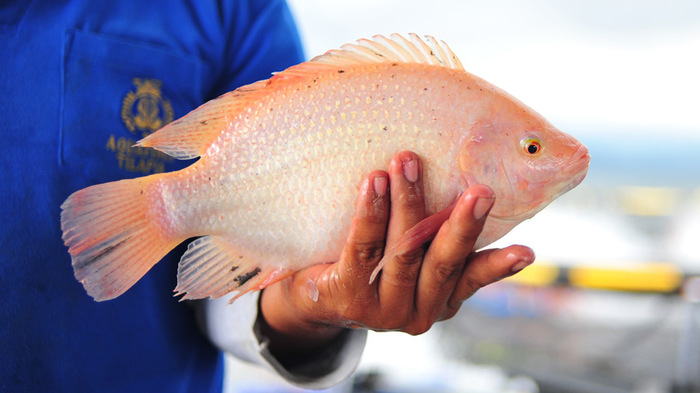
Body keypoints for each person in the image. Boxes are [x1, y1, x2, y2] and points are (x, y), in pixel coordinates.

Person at [0, 1, 534, 392]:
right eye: (532, 148)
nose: (549, 158)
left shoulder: (238, 11)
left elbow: (225, 301)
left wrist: (310, 307)